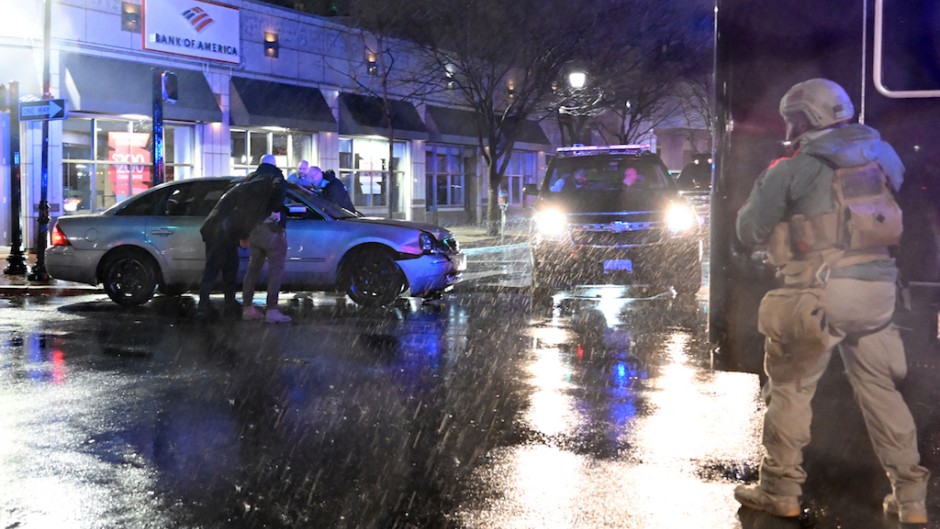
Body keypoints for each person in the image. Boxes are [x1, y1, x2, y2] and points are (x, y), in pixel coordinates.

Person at [733, 78, 929, 524]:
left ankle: (779, 490)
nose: (789, 125)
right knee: (882, 394)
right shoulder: (884, 155)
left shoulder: (791, 168)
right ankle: (911, 499)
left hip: (816, 296)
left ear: (809, 118)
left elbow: (748, 231)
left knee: (791, 391)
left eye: (793, 117)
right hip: (878, 295)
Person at [196, 154, 285, 320]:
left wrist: (242, 235)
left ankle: (227, 304)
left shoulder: (248, 181)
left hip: (218, 228)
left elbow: (238, 211)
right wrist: (244, 234)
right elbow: (245, 213)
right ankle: (204, 306)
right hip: (221, 230)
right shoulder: (268, 180)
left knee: (228, 267)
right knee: (216, 267)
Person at [241, 157, 291, 324]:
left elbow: (242, 203)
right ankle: (272, 310)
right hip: (270, 228)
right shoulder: (275, 176)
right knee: (276, 270)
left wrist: (244, 231)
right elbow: (278, 191)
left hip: (253, 229)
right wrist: (275, 210)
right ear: (274, 164)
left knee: (253, 269)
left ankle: (247, 308)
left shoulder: (251, 178)